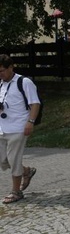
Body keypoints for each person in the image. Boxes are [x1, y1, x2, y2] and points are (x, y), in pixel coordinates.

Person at [0, 55, 41, 204]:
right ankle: (27, 171)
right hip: (2, 128)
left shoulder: (24, 82)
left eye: (2, 71)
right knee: (3, 161)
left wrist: (30, 122)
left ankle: (16, 191)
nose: (0, 74)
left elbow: (35, 104)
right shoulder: (1, 84)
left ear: (11, 67)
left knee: (13, 159)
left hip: (18, 128)